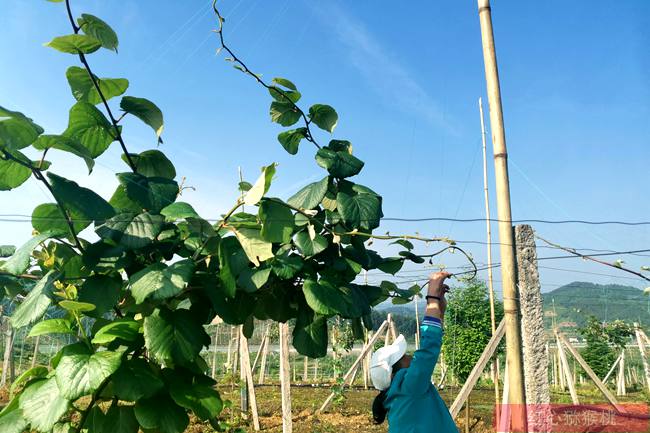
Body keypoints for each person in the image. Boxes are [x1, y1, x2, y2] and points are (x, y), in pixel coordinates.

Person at [370, 271, 457, 433]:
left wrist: (439, 310)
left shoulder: (399, 398)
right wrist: (432, 299)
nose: (410, 356)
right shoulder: (409, 388)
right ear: (396, 375)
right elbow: (428, 348)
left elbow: (431, 344)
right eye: (402, 357)